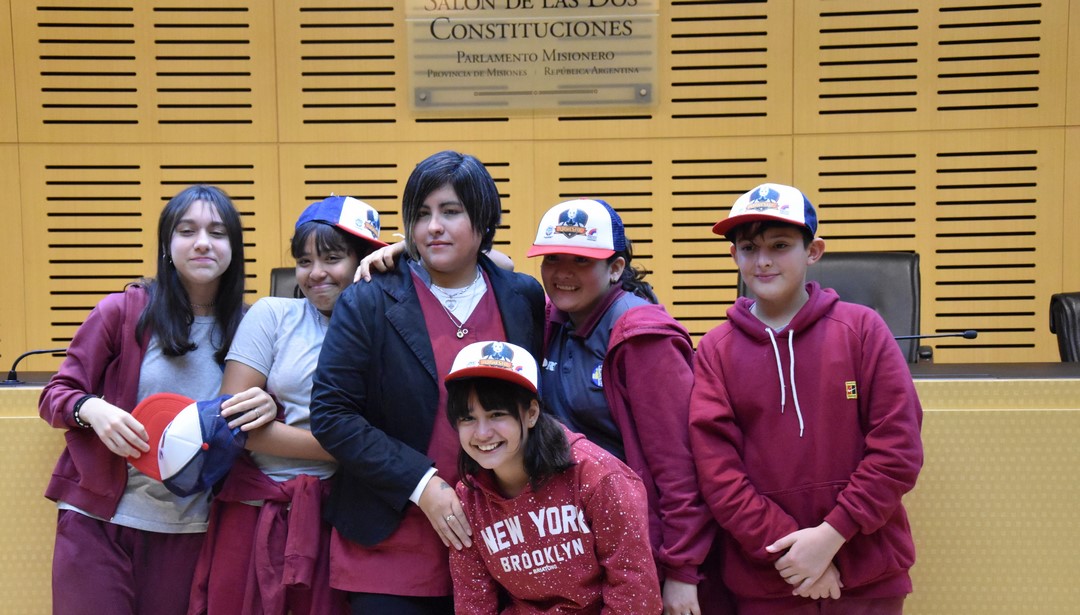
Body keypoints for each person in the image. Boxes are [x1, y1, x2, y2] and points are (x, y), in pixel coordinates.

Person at [309, 150, 546, 615]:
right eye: (421, 214)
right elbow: (331, 415)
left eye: (450, 212)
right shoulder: (368, 299)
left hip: (504, 542)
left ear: (483, 219)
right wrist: (422, 485)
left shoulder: (523, 296)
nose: (433, 227)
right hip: (391, 542)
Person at [688, 183, 924, 615]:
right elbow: (718, 474)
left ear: (813, 251)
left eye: (780, 246)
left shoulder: (863, 330)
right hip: (769, 578)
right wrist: (794, 555)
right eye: (749, 248)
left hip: (868, 573)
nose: (763, 260)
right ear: (734, 256)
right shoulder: (715, 351)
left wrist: (831, 535)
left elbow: (898, 450)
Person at [37, 184, 263, 615]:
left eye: (217, 233)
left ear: (234, 248)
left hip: (192, 530)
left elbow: (263, 423)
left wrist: (268, 408)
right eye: (187, 231)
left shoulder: (253, 328)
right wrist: (92, 408)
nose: (202, 242)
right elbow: (56, 394)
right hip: (98, 524)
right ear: (166, 245)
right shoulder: (122, 311)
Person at [188, 196, 387, 615]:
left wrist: (402, 253)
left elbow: (497, 264)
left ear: (364, 260)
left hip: (338, 518)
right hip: (255, 509)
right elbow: (227, 424)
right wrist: (360, 448)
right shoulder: (273, 314)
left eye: (332, 258)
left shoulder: (389, 326)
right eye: (304, 261)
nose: (315, 273)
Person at [526, 198, 720, 615]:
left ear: (615, 268)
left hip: (644, 553)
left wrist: (683, 571)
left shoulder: (642, 337)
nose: (562, 272)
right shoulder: (554, 320)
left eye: (581, 260)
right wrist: (407, 255)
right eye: (552, 258)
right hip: (580, 546)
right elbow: (488, 274)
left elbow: (680, 465)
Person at [444, 340, 663, 614]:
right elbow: (473, 604)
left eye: (497, 414)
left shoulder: (597, 476)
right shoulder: (468, 499)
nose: (482, 433)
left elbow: (634, 593)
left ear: (532, 413)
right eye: (468, 418)